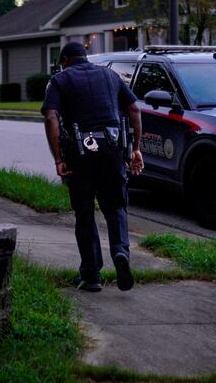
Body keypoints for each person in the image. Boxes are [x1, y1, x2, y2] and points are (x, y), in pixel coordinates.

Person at [41, 41, 144, 292]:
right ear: (85, 57)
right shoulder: (110, 75)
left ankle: (91, 275)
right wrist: (136, 149)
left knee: (85, 212)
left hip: (80, 152)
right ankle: (121, 253)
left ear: (64, 60)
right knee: (116, 206)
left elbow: (51, 117)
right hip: (112, 150)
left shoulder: (60, 80)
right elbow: (134, 109)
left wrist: (58, 158)